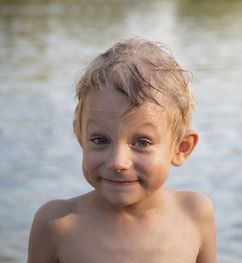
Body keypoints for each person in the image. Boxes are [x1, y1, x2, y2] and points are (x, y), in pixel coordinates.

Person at [27, 37, 217, 263]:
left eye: (142, 143)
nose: (118, 162)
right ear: (80, 137)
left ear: (181, 148)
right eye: (100, 140)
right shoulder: (57, 224)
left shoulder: (194, 213)